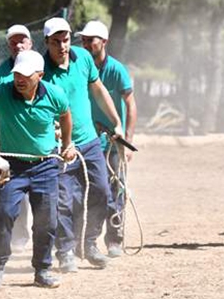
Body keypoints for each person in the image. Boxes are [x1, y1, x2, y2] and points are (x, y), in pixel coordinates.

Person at [0, 50, 75, 288]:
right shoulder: (3, 90)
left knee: (47, 221)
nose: (19, 79)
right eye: (17, 74)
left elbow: (65, 115)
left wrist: (67, 144)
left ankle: (42, 270)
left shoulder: (55, 94)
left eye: (25, 75)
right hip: (13, 168)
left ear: (39, 75)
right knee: (3, 215)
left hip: (46, 166)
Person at [41, 17, 124, 272]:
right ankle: (65, 250)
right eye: (56, 41)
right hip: (60, 147)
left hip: (89, 142)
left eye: (65, 40)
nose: (62, 46)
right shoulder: (40, 69)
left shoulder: (83, 58)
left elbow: (98, 90)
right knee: (65, 200)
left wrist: (116, 122)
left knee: (102, 190)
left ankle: (89, 244)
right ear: (46, 42)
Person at [76, 20, 138, 257]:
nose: (86, 44)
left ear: (104, 42)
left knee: (116, 189)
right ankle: (85, 239)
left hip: (112, 141)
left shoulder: (116, 69)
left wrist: (128, 141)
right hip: (86, 140)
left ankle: (114, 238)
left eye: (91, 40)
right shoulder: (78, 67)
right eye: (83, 40)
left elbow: (130, 104)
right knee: (86, 190)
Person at [0, 24, 35, 254]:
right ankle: (17, 236)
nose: (18, 45)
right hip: (9, 146)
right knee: (11, 196)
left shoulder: (39, 66)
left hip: (40, 146)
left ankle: (52, 240)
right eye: (13, 42)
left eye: (22, 40)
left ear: (30, 42)